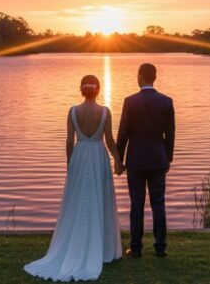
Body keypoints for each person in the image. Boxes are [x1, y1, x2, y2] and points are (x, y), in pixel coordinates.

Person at [24, 75, 124, 281]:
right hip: (98, 156)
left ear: (82, 89)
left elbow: (69, 140)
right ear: (98, 90)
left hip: (79, 155)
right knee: (99, 198)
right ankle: (103, 249)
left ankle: (78, 245)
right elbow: (110, 140)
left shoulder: (72, 111)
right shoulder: (105, 111)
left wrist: (70, 163)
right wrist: (118, 160)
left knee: (77, 200)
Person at [117, 63, 176, 258]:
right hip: (158, 161)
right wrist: (168, 158)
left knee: (137, 205)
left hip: (136, 161)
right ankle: (160, 248)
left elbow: (123, 132)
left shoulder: (130, 101)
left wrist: (118, 159)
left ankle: (136, 248)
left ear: (140, 77)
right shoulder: (166, 102)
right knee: (158, 203)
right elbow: (170, 134)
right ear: (155, 77)